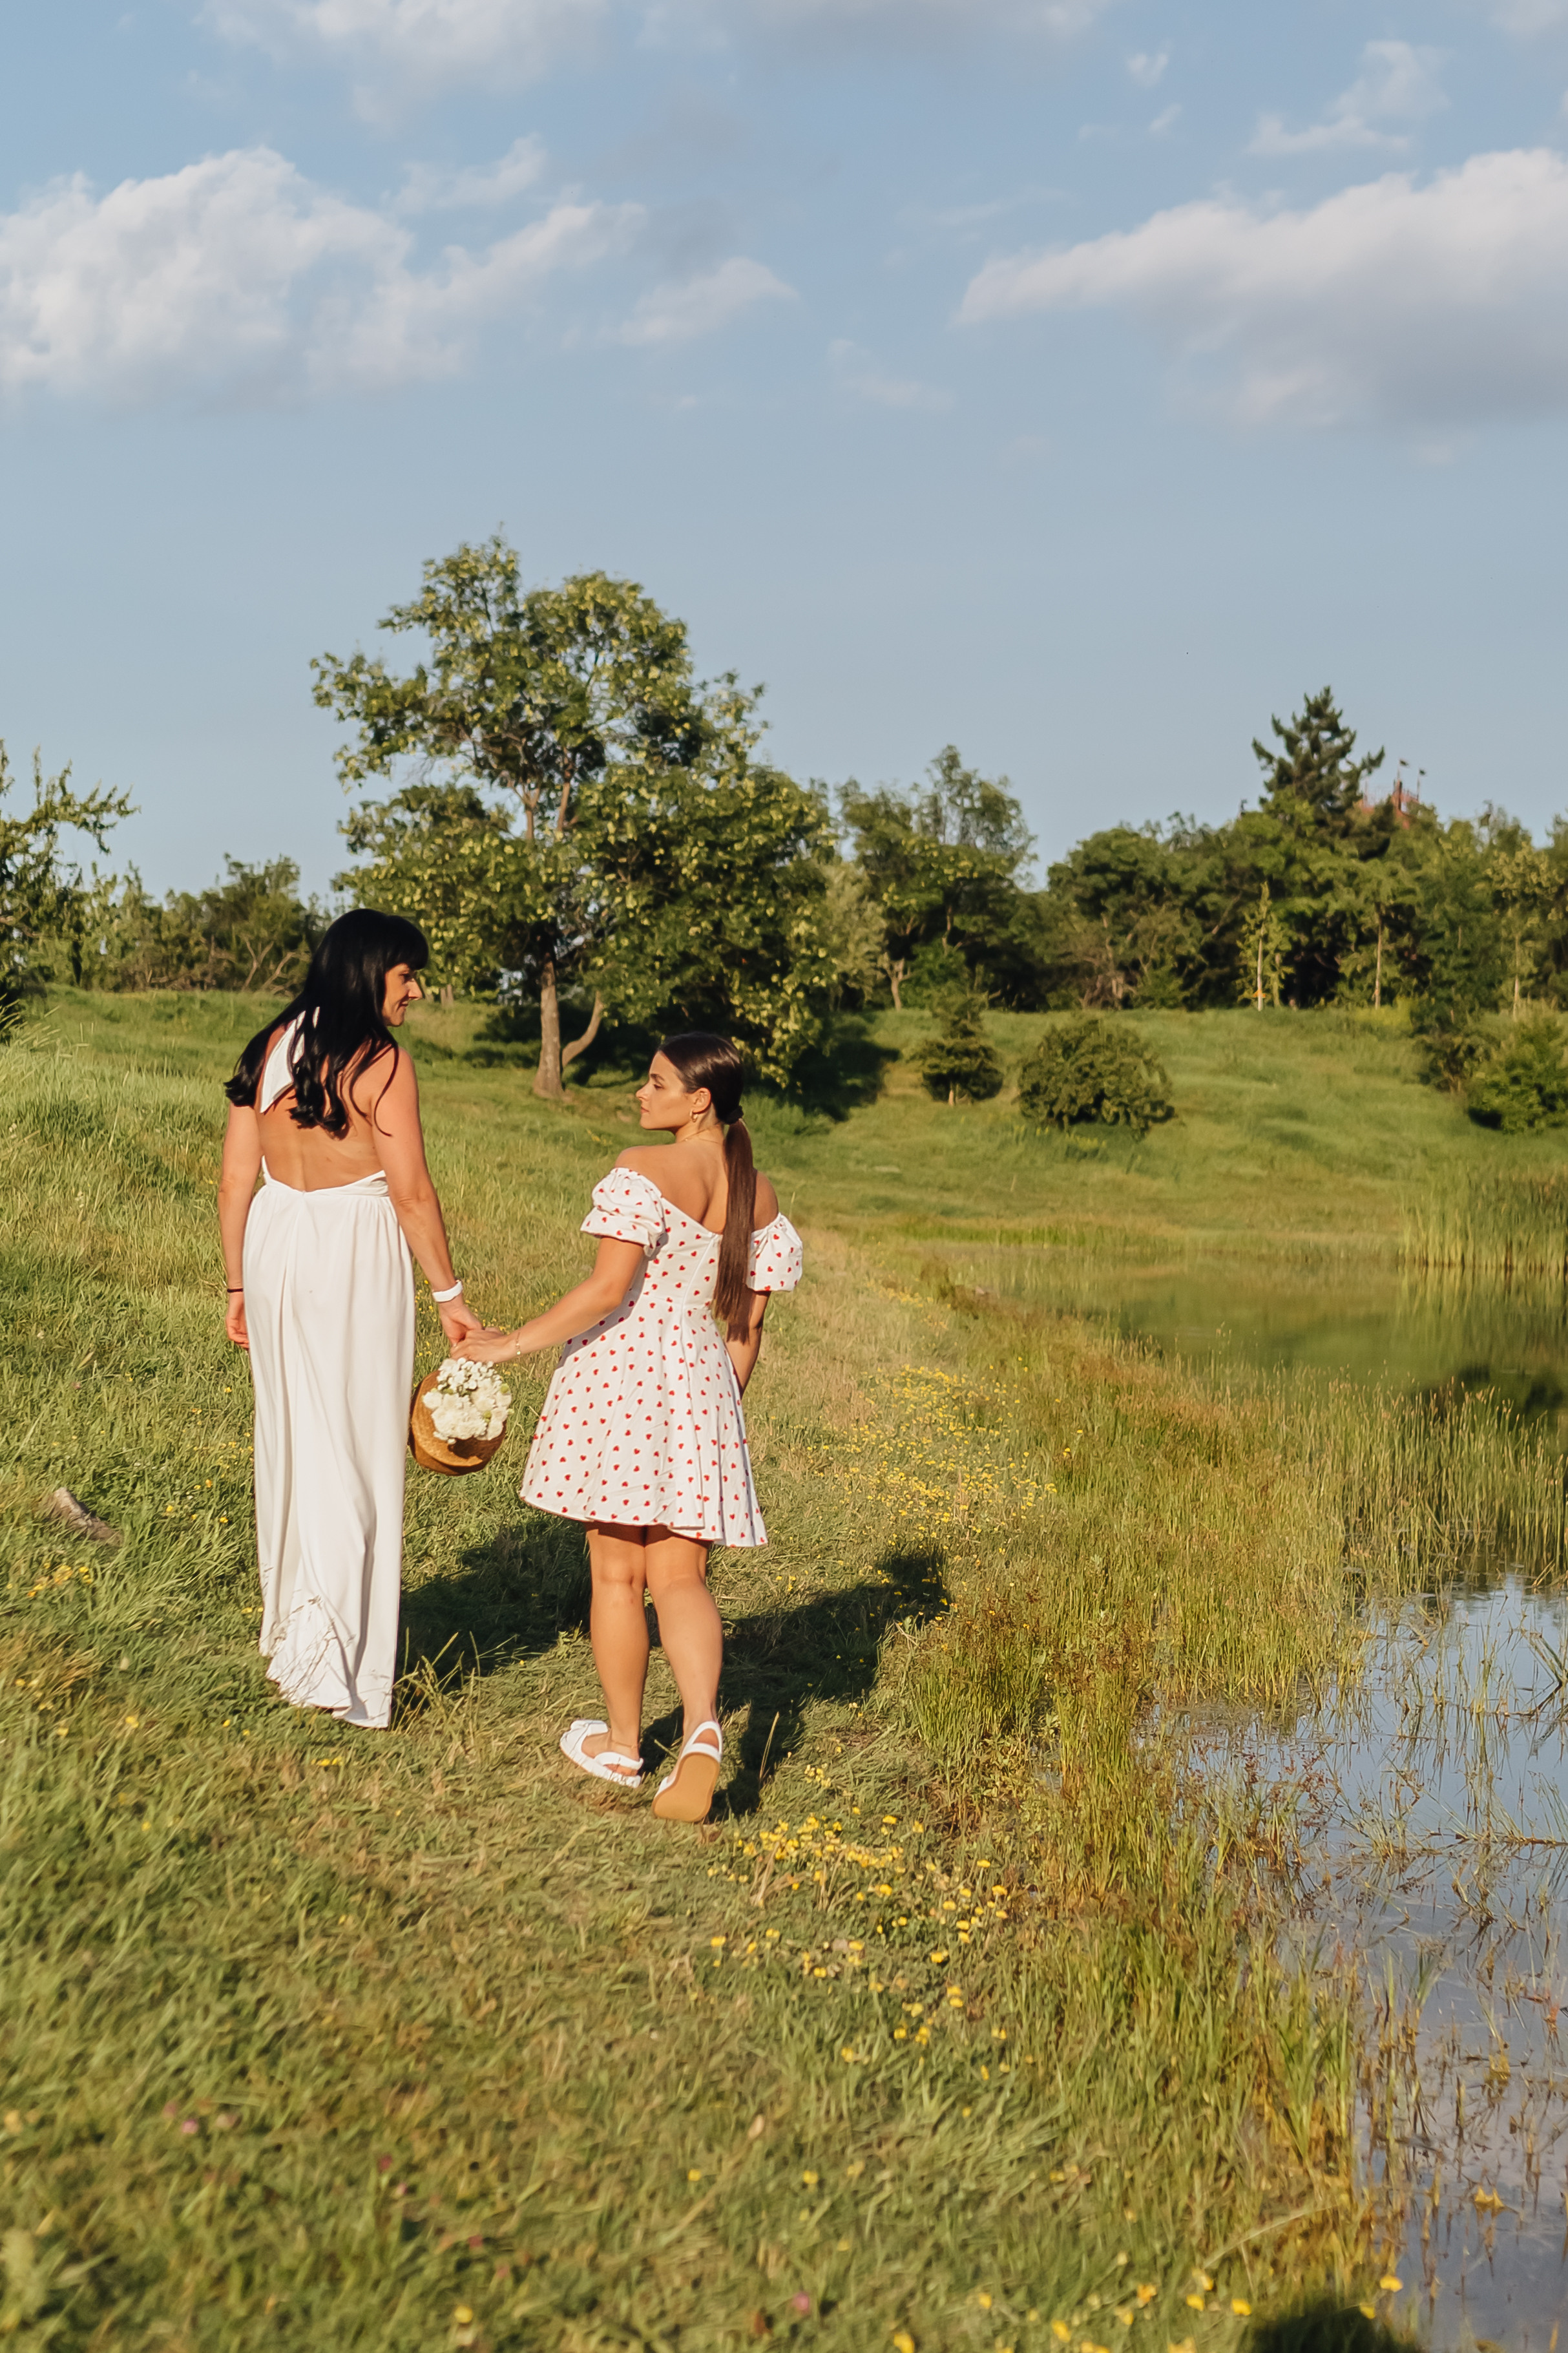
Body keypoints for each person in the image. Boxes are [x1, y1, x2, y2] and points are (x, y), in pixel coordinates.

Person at [459, 1032, 802, 1821]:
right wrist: (717, 1416)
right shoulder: (761, 1193)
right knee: (681, 1577)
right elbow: (746, 1330)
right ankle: (704, 1727)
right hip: (703, 1385)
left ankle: (621, 1745)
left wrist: (505, 1343)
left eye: (654, 1083)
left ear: (699, 1099)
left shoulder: (643, 1170)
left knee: (616, 1574)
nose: (639, 1095)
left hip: (625, 1374)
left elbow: (607, 1291)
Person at [217, 909, 485, 1729]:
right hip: (352, 1246)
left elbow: (235, 1179)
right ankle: (337, 1664)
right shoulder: (380, 1060)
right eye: (407, 974)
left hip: (274, 1240)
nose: (416, 990)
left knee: (293, 1437)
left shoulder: (270, 1045)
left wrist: (235, 1287)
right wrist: (450, 1298)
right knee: (359, 1445)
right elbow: (409, 1191)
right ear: (371, 971)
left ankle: (296, 1639)